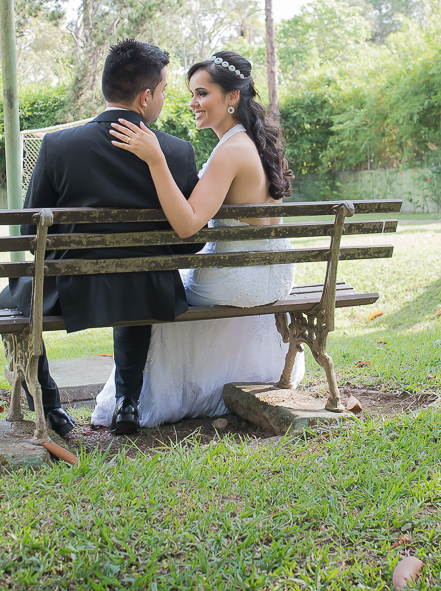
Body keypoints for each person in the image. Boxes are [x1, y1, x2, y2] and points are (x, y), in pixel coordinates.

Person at [0, 39, 203, 437]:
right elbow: (190, 242)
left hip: (73, 291)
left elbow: (30, 231)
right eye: (162, 91)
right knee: (133, 282)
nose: (162, 99)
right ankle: (127, 401)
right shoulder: (176, 152)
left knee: (8, 300)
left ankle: (51, 405)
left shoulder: (58, 146)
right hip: (151, 290)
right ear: (145, 97)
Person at [90, 51, 303, 428]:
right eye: (191, 93)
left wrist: (156, 159)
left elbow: (188, 225)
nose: (193, 103)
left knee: (153, 293)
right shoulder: (251, 142)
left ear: (232, 97)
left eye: (202, 94)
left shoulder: (231, 151)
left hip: (238, 281)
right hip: (273, 278)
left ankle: (135, 400)